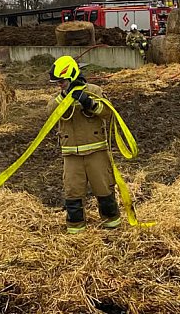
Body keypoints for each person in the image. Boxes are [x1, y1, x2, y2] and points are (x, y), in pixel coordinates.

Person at [46, 55, 122, 234]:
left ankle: (112, 228)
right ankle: (76, 231)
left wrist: (89, 103)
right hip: (71, 155)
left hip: (96, 151)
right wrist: (65, 97)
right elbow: (50, 113)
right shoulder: (59, 98)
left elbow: (108, 113)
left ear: (71, 76)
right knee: (72, 194)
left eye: (62, 81)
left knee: (104, 190)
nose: (59, 85)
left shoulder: (94, 90)